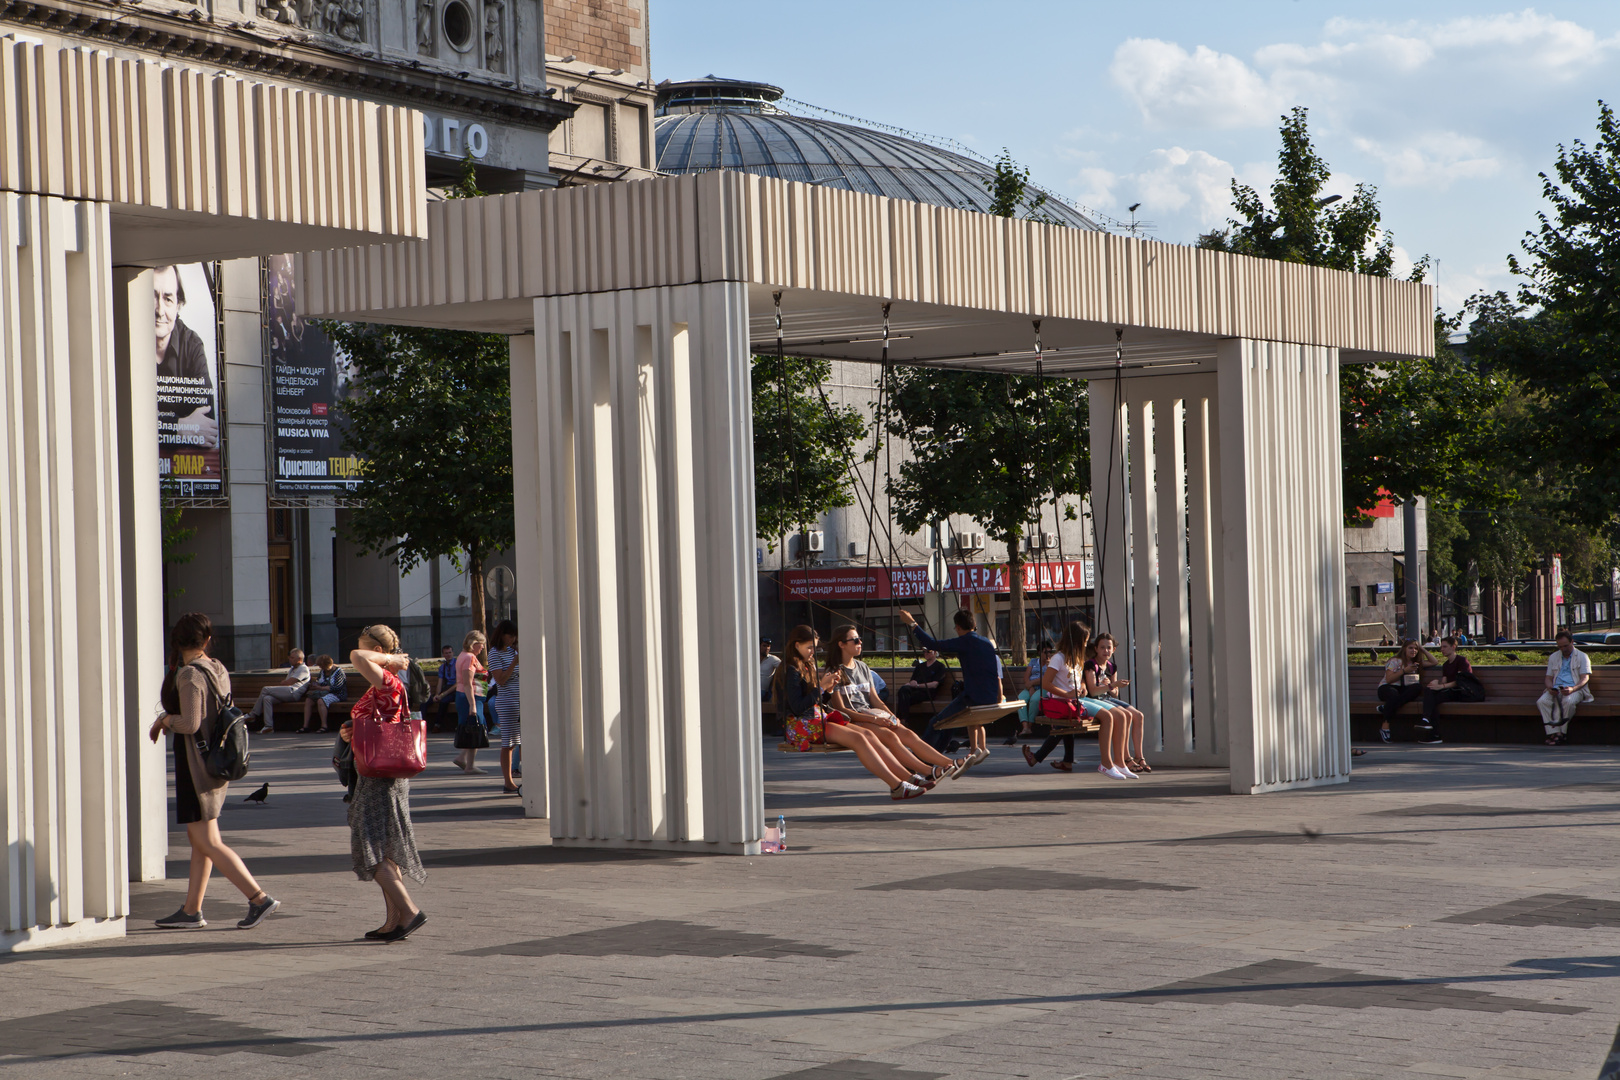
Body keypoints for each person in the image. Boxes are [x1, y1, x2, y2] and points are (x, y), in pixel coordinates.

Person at [147, 611, 280, 930]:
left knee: (206, 841)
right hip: (215, 761)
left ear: (177, 642)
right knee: (203, 840)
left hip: (196, 765)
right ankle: (191, 910)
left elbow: (190, 723)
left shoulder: (190, 675)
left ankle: (259, 898)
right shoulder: (216, 667)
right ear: (207, 640)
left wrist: (164, 721)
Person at [772, 624, 933, 800]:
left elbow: (817, 701)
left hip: (816, 719)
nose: (812, 652)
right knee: (859, 739)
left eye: (814, 648)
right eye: (809, 647)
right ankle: (896, 785)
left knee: (867, 735)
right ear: (796, 645)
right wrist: (821, 689)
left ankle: (908, 778)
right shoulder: (791, 671)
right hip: (800, 726)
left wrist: (828, 691)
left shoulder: (806, 666)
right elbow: (797, 707)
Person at [342, 623, 427, 941]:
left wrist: (391, 660)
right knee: (385, 848)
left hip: (380, 778)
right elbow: (379, 721)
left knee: (370, 847)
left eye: (365, 647)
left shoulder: (387, 677)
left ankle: (409, 911)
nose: (355, 652)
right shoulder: (385, 682)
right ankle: (394, 922)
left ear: (376, 652)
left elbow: (355, 656)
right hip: (380, 771)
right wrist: (351, 729)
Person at [824, 625, 966, 787]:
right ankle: (929, 771)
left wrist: (892, 716)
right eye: (855, 640)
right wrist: (875, 719)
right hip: (854, 720)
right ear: (841, 644)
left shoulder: (862, 667)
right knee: (890, 736)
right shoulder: (835, 671)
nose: (860, 643)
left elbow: (875, 699)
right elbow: (841, 710)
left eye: (860, 639)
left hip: (871, 714)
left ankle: (950, 764)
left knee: (906, 733)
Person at [898, 608, 999, 771]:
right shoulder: (987, 643)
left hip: (973, 698)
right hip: (990, 697)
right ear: (973, 624)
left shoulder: (965, 641)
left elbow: (932, 644)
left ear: (958, 627)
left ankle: (917, 762)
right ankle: (931, 760)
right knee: (949, 724)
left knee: (935, 722)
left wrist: (912, 623)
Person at [1023, 623, 1123, 775]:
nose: (1086, 644)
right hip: (1062, 701)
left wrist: (1082, 685)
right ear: (1076, 640)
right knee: (1105, 716)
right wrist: (1066, 694)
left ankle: (1061, 760)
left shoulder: (1077, 658)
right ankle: (1107, 763)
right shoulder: (1059, 658)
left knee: (1066, 728)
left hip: (1075, 701)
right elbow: (1046, 683)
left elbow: (1079, 678)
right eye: (1084, 640)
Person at [153, 265, 219, 449]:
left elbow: (208, 426)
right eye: (152, 296)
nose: (159, 310)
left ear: (178, 305)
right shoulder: (128, 342)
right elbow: (127, 415)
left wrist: (159, 424)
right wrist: (180, 427)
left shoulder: (192, 344)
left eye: (167, 299)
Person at [1088, 634, 1149, 774]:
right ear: (1096, 649)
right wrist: (1111, 686)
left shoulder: (1111, 666)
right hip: (1097, 699)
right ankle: (1126, 757)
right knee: (1126, 715)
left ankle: (1139, 756)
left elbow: (1114, 693)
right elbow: (1092, 691)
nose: (1106, 651)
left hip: (1107, 698)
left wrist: (1113, 686)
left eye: (1109, 648)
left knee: (1138, 715)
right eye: (1102, 647)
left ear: (1113, 649)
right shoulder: (1091, 665)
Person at [1538, 628, 1593, 746]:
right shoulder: (1554, 657)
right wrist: (1549, 688)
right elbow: (1548, 678)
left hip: (1575, 689)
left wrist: (1572, 689)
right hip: (1556, 688)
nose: (1563, 649)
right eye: (1560, 647)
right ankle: (1554, 732)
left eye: (1565, 646)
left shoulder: (1582, 657)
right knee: (1542, 701)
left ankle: (1561, 733)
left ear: (1572, 642)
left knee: (1567, 701)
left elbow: (1585, 678)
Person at [1377, 639, 1436, 742]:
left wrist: (1422, 648)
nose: (1413, 650)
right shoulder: (1395, 660)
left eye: (1415, 648)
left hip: (1403, 690)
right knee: (1393, 696)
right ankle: (1385, 727)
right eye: (1410, 648)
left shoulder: (1416, 663)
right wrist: (1404, 670)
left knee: (1417, 687)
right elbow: (1389, 679)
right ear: (1404, 649)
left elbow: (1434, 661)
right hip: (1387, 687)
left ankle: (1386, 707)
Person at [487, 619, 522, 794]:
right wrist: (515, 663)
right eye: (510, 635)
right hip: (507, 700)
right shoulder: (494, 654)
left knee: (522, 742)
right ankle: (508, 781)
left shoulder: (511, 651)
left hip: (520, 699)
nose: (513, 639)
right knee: (508, 743)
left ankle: (523, 776)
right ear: (502, 635)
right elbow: (500, 680)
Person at [1417, 636, 1472, 745]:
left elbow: (1461, 681)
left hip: (1461, 692)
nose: (1442, 649)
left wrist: (1442, 687)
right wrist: (1437, 684)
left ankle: (1430, 727)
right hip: (1450, 691)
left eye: (1445, 647)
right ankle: (1431, 728)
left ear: (1453, 647)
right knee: (1430, 693)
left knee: (1432, 699)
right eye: (1441, 647)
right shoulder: (1446, 665)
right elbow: (1444, 681)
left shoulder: (1462, 661)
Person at [247, 649, 310, 732]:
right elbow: (286, 683)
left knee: (265, 689)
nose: (290, 659)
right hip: (288, 691)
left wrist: (285, 682)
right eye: (290, 657)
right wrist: (284, 683)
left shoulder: (303, 668)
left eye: (292, 658)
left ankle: (253, 714)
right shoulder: (292, 669)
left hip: (293, 692)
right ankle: (268, 726)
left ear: (300, 659)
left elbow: (289, 682)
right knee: (267, 698)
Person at [452, 631, 489, 773]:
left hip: (467, 696)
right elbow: (467, 683)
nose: (483, 648)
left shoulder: (464, 656)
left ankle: (464, 759)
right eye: (482, 644)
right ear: (475, 644)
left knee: (474, 728)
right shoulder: (469, 658)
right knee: (476, 728)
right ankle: (469, 765)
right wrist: (473, 705)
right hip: (470, 697)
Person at [1011, 642, 1053, 741]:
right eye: (1045, 652)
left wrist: (1033, 682)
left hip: (1043, 687)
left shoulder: (1051, 664)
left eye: (1050, 652)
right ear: (1039, 652)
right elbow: (1026, 677)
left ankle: (1029, 726)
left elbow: (1047, 678)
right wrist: (1030, 687)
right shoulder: (1034, 662)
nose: (1048, 654)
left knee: (1035, 700)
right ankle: (1025, 726)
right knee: (1020, 699)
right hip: (1031, 687)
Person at [894, 648, 947, 721]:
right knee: (903, 690)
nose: (926, 653)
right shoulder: (920, 666)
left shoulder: (940, 666)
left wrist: (918, 685)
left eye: (929, 651)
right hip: (915, 690)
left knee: (904, 698)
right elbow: (912, 680)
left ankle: (901, 720)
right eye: (924, 651)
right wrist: (912, 683)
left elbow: (934, 684)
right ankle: (903, 720)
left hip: (928, 692)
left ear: (935, 653)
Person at [299, 655, 348, 733]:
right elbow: (319, 681)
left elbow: (336, 688)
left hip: (336, 694)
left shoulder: (339, 672)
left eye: (322, 666)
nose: (321, 668)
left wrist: (321, 688)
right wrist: (315, 685)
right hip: (323, 692)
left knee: (321, 701)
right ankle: (305, 726)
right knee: (309, 700)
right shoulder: (322, 671)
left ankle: (324, 726)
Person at [427, 645, 458, 732]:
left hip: (455, 690)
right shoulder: (442, 667)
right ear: (443, 655)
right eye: (446, 653)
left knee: (444, 701)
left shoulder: (457, 664)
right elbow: (440, 683)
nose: (448, 655)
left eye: (450, 653)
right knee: (426, 701)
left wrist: (443, 695)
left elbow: (458, 683)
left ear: (453, 653)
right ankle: (420, 723)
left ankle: (437, 725)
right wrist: (437, 694)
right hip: (446, 689)